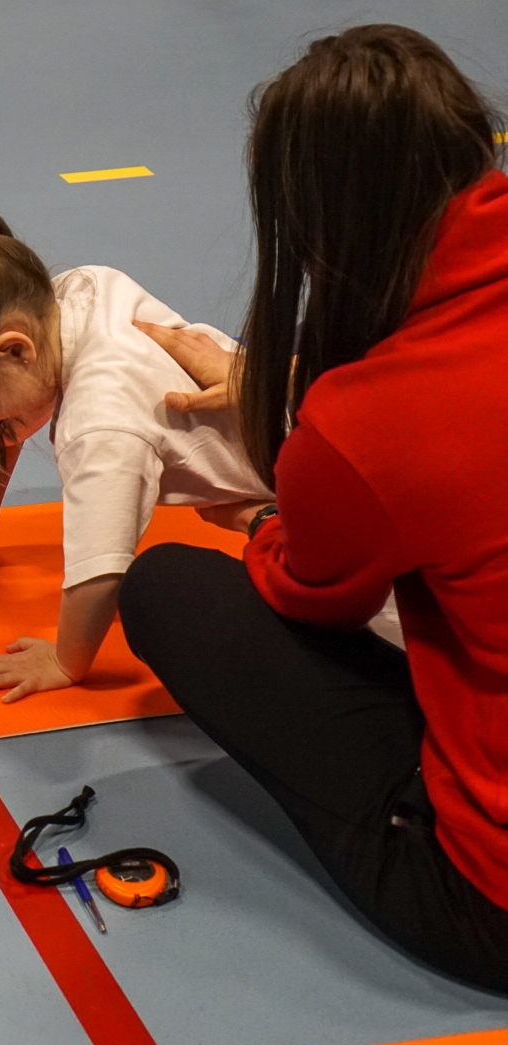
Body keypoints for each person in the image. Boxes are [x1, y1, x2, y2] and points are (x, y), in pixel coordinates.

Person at [119, 24, 508, 992]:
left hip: (486, 901)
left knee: (166, 585)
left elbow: (312, 592)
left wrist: (268, 524)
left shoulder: (365, 421)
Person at [0, 206, 271, 702]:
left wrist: (64, 660)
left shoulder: (100, 422)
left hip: (314, 492)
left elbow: (102, 566)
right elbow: (5, 428)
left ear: (15, 350)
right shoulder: (76, 293)